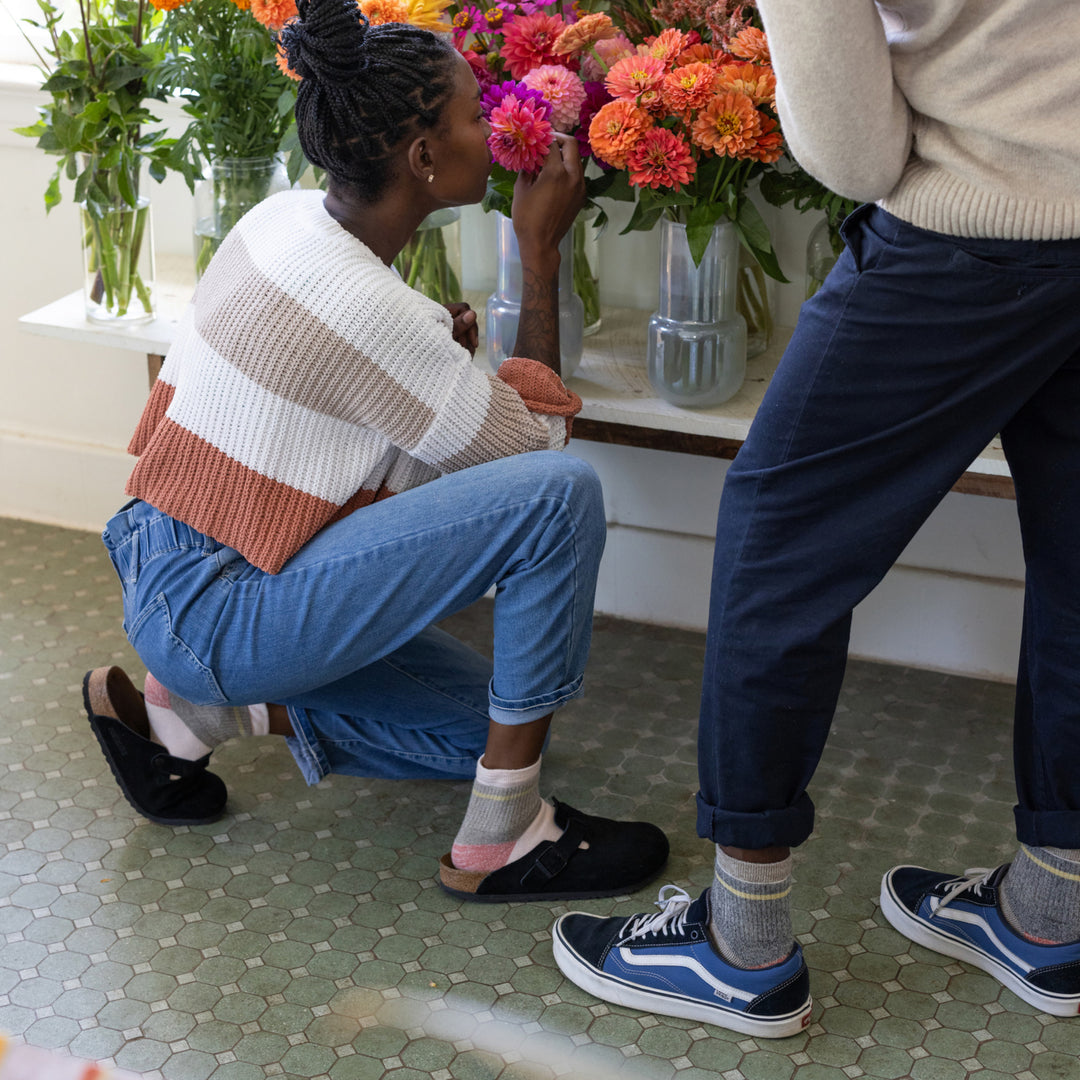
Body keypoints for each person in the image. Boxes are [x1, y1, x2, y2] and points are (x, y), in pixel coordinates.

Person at [552, 0, 1080, 1036]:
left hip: (971, 231)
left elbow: (854, 153)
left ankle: (739, 945)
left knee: (777, 543)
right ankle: (1053, 909)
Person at [83, 0, 669, 904]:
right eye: (476, 116)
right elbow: (534, 452)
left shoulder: (280, 219)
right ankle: (503, 839)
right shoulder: (374, 311)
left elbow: (337, 418)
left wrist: (445, 355)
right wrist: (538, 249)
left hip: (163, 561)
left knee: (490, 729)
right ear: (423, 159)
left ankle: (197, 707)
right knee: (560, 493)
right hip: (219, 603)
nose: (491, 128)